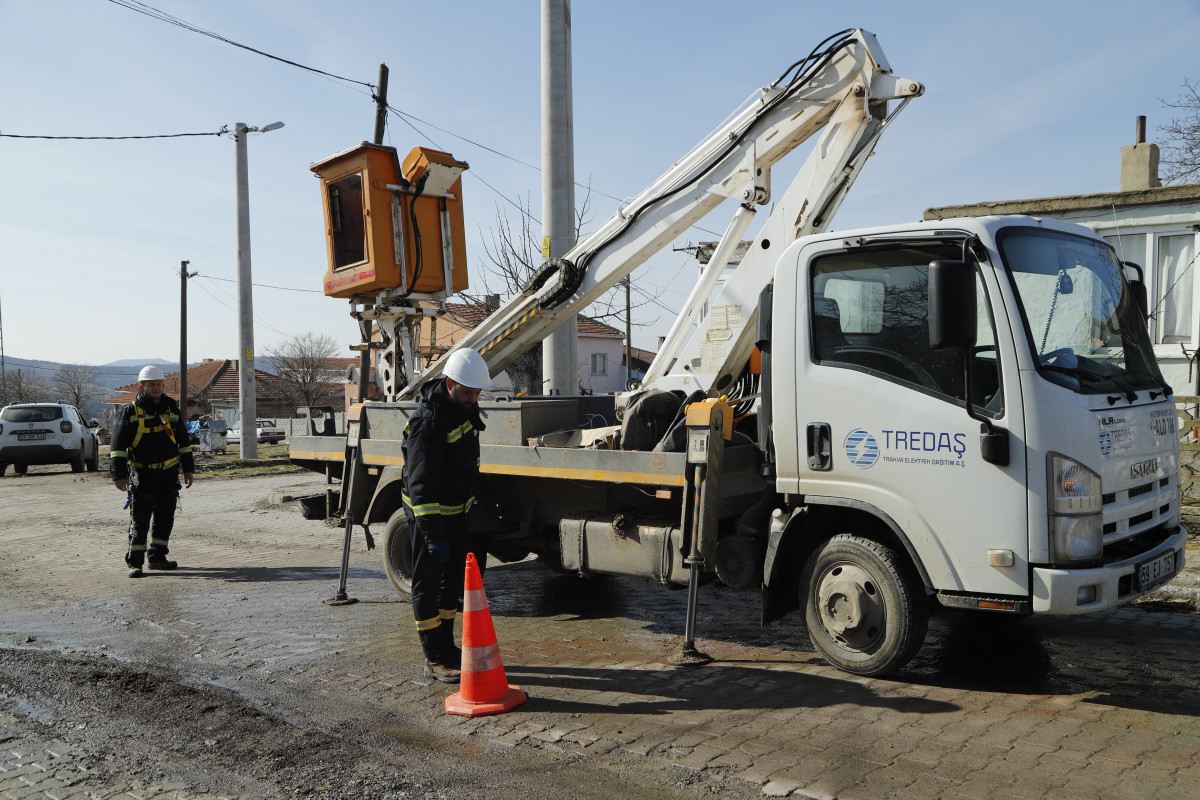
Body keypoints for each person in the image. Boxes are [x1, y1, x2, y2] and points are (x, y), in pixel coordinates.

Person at [401, 348, 490, 683]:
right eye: (468, 392)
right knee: (427, 584)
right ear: (450, 384)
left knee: (452, 584)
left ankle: (448, 647)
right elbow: (420, 485)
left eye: (477, 393)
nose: (473, 399)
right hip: (431, 518)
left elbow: (467, 456)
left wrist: (474, 486)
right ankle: (434, 656)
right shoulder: (428, 421)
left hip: (457, 515)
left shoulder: (463, 409)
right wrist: (432, 534)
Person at [110, 365, 195, 578]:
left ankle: (158, 558)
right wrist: (118, 475)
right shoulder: (130, 412)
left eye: (158, 384)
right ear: (142, 386)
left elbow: (184, 443)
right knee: (140, 520)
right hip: (143, 476)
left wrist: (189, 470)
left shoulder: (172, 410)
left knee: (165, 519)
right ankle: (135, 563)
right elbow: (117, 447)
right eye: (151, 385)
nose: (155, 388)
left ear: (163, 385)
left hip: (168, 475)